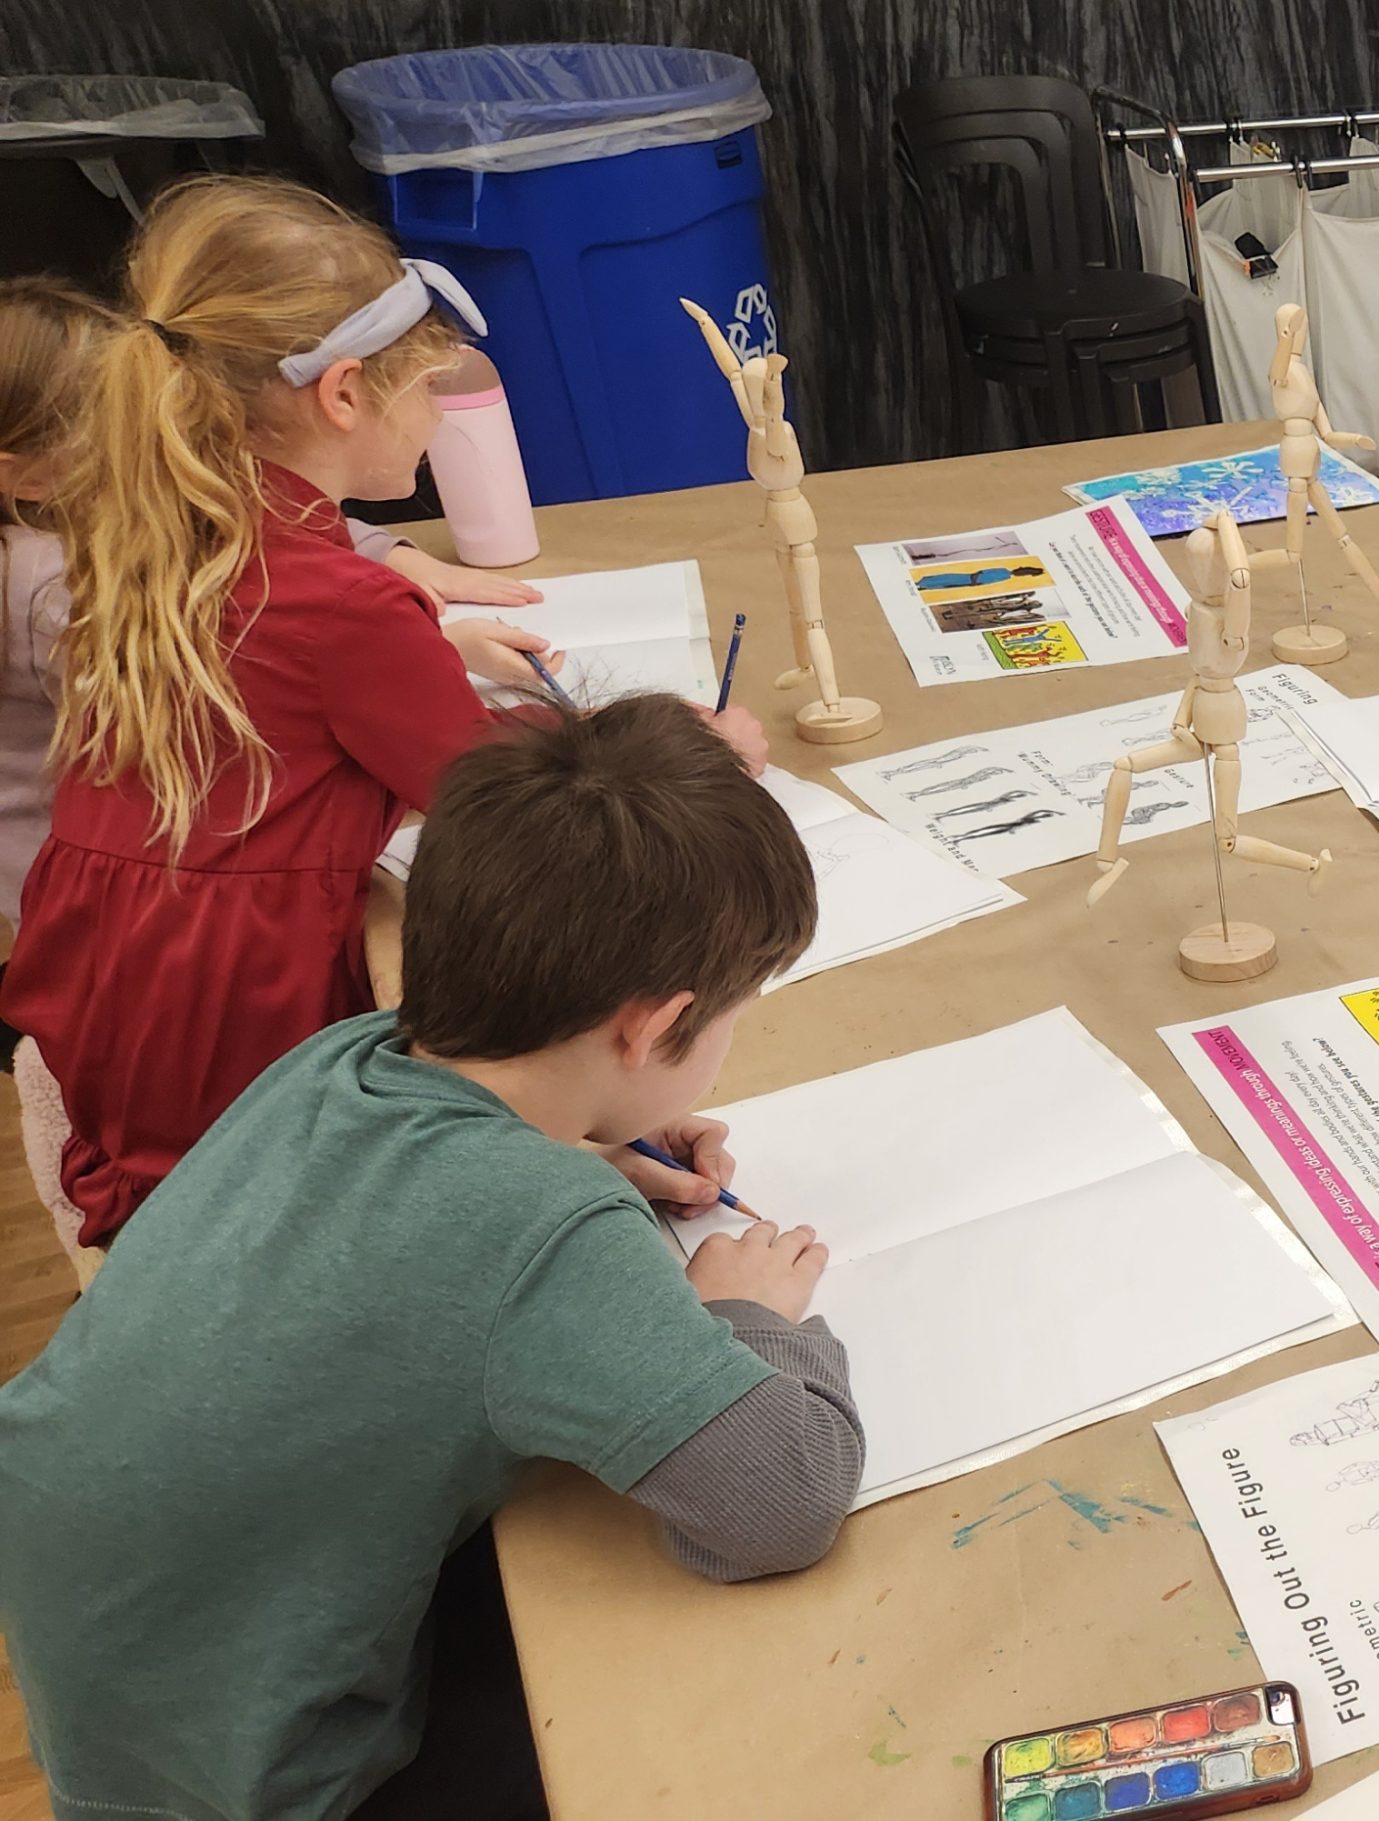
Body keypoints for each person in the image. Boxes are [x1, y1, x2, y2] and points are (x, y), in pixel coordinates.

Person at [0, 694, 859, 1821]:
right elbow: (782, 1502)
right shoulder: (541, 1233)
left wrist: (587, 1135)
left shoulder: (345, 1057)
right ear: (655, 1028)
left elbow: (412, 1224)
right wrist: (755, 1320)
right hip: (273, 1771)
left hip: (135, 1685)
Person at [0, 177, 769, 1248]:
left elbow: (285, 674)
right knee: (320, 1220)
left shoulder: (155, 533)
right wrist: (692, 753)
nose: (436, 421)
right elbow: (506, 799)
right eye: (430, 392)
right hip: (239, 1021)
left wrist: (420, 636)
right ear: (346, 394)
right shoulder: (344, 609)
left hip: (116, 976)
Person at [0, 274, 544, 932]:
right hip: (98, 912)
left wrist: (392, 560)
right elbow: (481, 789)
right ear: (24, 474)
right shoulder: (51, 577)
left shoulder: (111, 523)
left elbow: (241, 530)